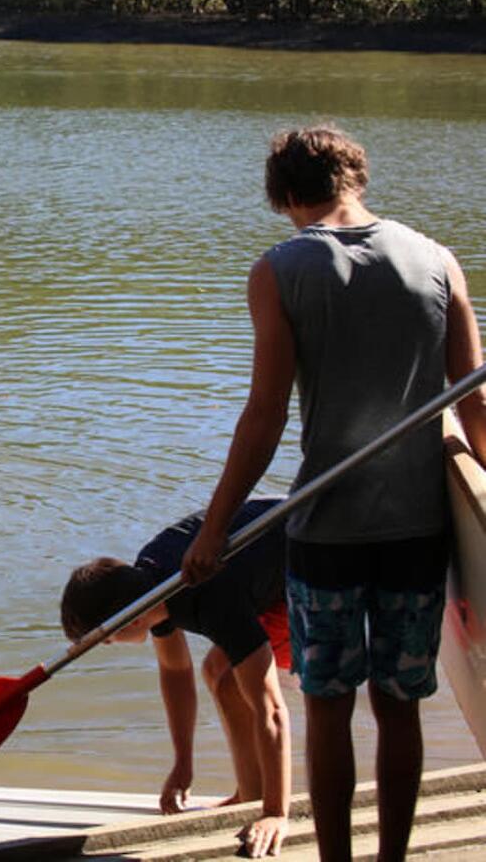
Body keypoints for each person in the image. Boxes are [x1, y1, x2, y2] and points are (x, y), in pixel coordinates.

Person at [181, 125, 486, 862]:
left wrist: (213, 529)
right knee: (400, 704)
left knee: (326, 706)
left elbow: (263, 417)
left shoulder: (278, 270)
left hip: (323, 533)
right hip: (417, 530)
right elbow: (474, 406)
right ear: (356, 179)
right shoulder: (435, 260)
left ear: (284, 196)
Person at [61, 498, 291, 858]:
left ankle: (266, 806)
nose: (109, 643)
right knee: (215, 670)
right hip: (262, 568)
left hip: (311, 568)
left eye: (107, 637)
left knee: (230, 680)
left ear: (131, 621)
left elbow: (273, 710)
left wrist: (277, 814)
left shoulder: (209, 597)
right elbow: (175, 669)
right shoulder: (150, 586)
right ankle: (249, 794)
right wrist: (183, 761)